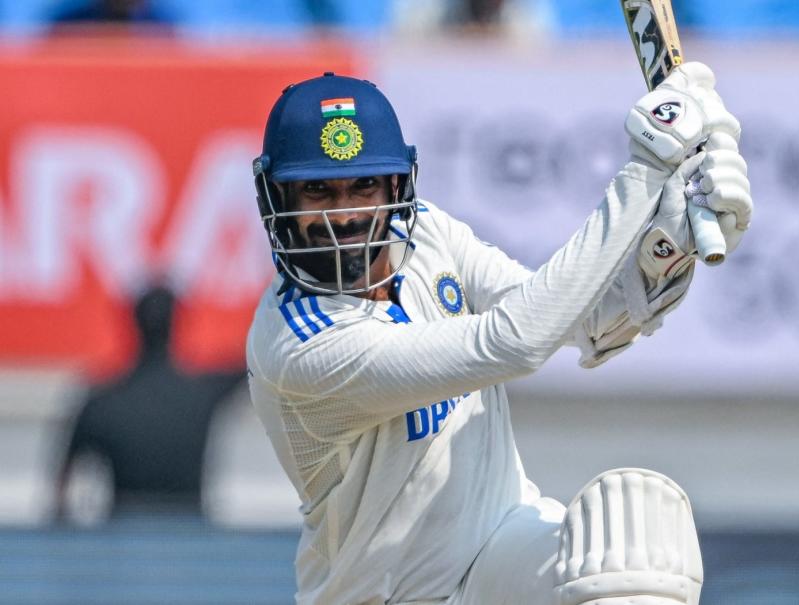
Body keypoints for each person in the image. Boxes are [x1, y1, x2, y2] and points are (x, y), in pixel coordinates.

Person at [246, 68, 751, 604]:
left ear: (397, 184)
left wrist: (666, 247)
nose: (344, 214)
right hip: (391, 594)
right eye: (318, 190)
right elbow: (515, 340)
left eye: (363, 185)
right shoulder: (299, 347)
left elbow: (584, 321)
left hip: (497, 550)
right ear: (279, 197)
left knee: (635, 533)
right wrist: (646, 172)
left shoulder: (425, 234)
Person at [57, 285, 244, 522]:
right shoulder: (203, 393)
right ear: (175, 325)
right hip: (191, 541)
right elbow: (257, 362)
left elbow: (59, 493)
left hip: (121, 541)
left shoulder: (102, 403)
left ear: (132, 324)